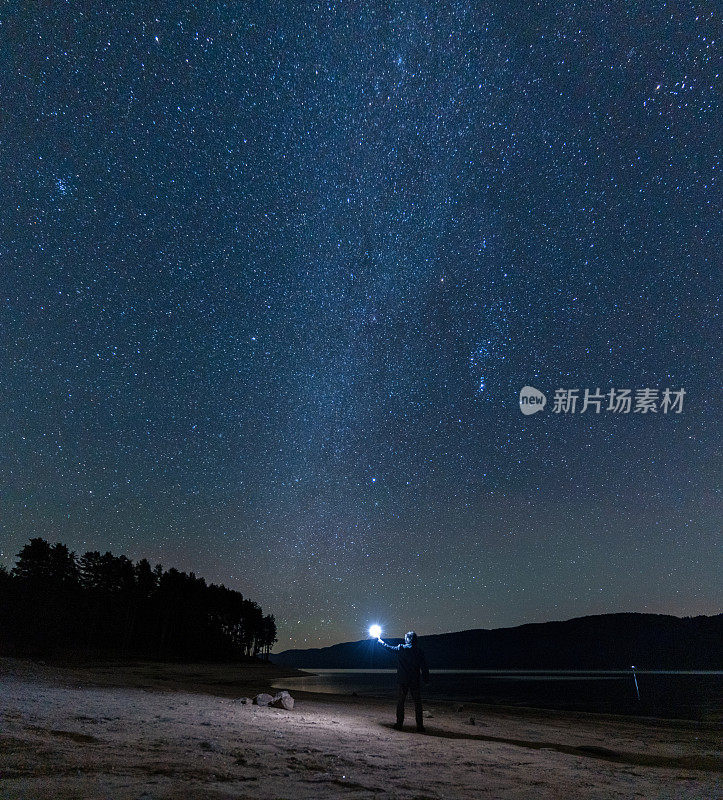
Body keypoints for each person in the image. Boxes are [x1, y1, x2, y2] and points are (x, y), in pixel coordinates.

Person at [377, 631, 430, 732]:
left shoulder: (401, 648)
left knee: (401, 702)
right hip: (414, 680)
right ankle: (420, 726)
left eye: (406, 638)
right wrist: (426, 679)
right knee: (417, 703)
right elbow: (424, 667)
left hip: (403, 679)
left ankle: (399, 724)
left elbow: (389, 648)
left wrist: (380, 642)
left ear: (409, 639)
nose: (405, 640)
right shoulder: (419, 651)